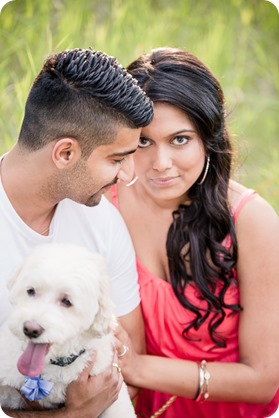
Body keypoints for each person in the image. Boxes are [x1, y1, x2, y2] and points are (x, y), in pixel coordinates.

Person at [108, 47, 279, 417]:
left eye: (180, 139)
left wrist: (138, 367)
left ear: (208, 137)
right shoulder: (103, 206)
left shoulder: (251, 221)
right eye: (144, 141)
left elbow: (263, 379)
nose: (161, 164)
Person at [0, 47, 153, 417]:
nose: (128, 175)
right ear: (66, 153)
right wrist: (72, 415)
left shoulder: (103, 221)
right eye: (117, 159)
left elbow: (128, 363)